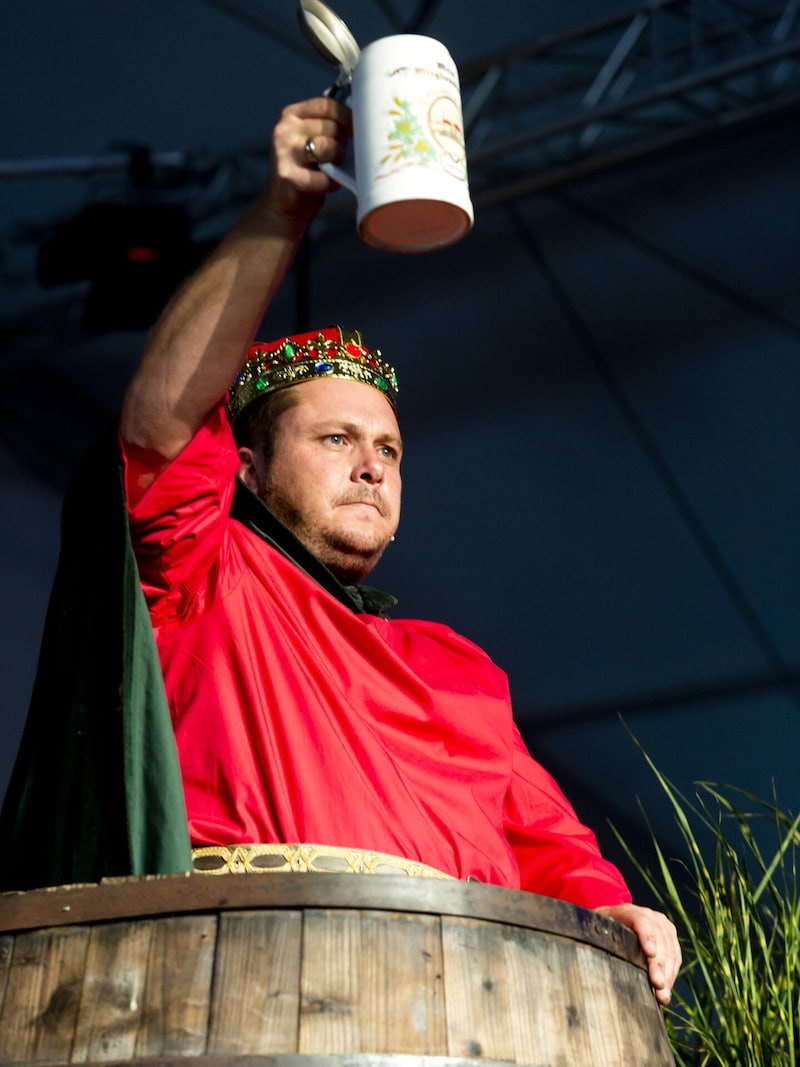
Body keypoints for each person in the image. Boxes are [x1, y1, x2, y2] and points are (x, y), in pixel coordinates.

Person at [7, 96, 680, 1004]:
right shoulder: (202, 573)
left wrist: (618, 910)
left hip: (463, 1019)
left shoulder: (459, 667)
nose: (372, 467)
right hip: (235, 998)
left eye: (390, 450)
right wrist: (280, 211)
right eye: (335, 441)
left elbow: (550, 847)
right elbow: (160, 422)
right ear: (243, 469)